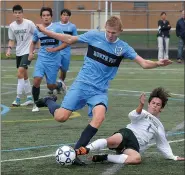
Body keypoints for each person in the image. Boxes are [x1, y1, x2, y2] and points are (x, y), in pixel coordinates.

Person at [35, 16, 172, 165]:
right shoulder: (94, 36)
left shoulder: (123, 48)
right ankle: (49, 101)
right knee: (60, 117)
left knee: (99, 117)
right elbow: (69, 39)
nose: (110, 35)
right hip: (81, 84)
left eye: (114, 32)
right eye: (108, 31)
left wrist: (158, 63)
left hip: (99, 91)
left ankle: (75, 153)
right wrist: (45, 31)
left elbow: (144, 63)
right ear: (105, 28)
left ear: (120, 31)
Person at [76, 87, 185, 164]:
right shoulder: (143, 113)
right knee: (112, 140)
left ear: (161, 108)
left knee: (136, 159)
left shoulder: (159, 126)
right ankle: (85, 149)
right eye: (153, 103)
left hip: (134, 146)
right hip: (127, 134)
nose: (155, 106)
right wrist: (140, 105)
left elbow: (163, 144)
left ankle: (104, 157)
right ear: (149, 104)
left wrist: (173, 157)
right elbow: (132, 115)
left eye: (158, 104)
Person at [28, 7, 68, 112]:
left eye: (48, 15)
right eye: (44, 16)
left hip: (53, 60)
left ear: (51, 17)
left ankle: (60, 84)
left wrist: (55, 49)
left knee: (51, 86)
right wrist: (30, 53)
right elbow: (33, 42)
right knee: (36, 80)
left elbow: (65, 42)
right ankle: (35, 104)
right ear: (41, 17)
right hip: (41, 58)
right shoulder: (38, 29)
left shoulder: (57, 28)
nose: (46, 17)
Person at [6, 4, 35, 107]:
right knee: (24, 75)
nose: (17, 14)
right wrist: (9, 50)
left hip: (28, 51)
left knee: (19, 73)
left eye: (19, 13)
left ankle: (17, 98)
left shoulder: (29, 23)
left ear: (22, 13)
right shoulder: (12, 26)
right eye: (16, 13)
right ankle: (29, 97)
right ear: (13, 14)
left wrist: (34, 50)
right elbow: (11, 40)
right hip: (19, 52)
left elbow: (36, 36)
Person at [47, 9, 78, 94]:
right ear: (61, 16)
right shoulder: (55, 25)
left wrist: (69, 41)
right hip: (56, 51)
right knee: (54, 68)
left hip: (66, 51)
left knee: (63, 70)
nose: (65, 16)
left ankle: (59, 84)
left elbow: (75, 38)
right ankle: (52, 86)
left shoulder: (72, 27)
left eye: (67, 15)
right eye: (64, 14)